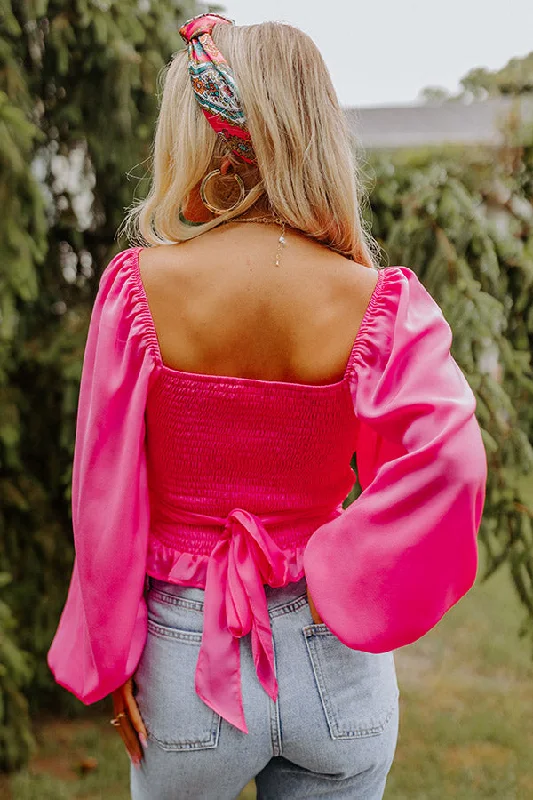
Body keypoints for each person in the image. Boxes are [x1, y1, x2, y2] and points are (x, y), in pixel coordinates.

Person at [47, 12, 488, 800]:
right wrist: (342, 571)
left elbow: (102, 495)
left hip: (184, 656)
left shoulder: (138, 287)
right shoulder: (377, 300)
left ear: (197, 134)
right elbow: (451, 460)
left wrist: (108, 652)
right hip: (334, 656)